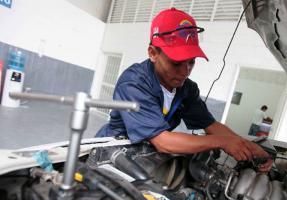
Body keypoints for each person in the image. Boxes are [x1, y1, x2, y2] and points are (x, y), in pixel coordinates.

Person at [96, 8, 272, 172]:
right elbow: (163, 141)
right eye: (176, 63)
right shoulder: (134, 83)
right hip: (109, 153)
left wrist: (247, 146)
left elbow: (211, 126)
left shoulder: (186, 89)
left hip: (145, 156)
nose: (185, 71)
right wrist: (221, 142)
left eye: (191, 62)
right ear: (153, 53)